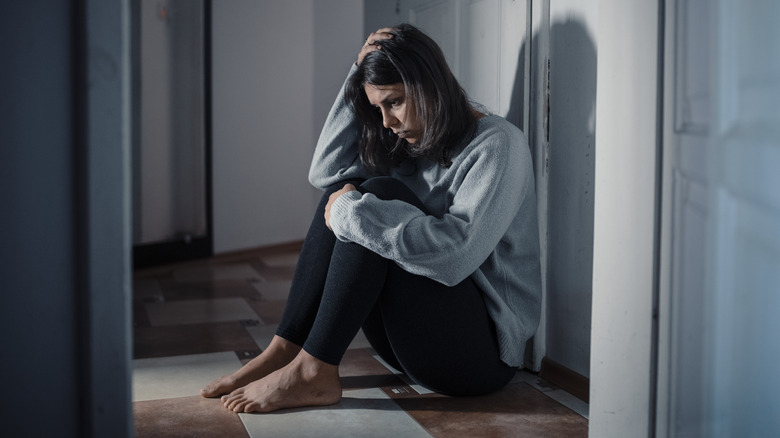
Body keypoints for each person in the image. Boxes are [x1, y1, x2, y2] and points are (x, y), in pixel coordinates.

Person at [201, 23, 541, 414]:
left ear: (429, 85)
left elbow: (455, 258)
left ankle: (314, 369)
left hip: (478, 359)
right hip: (408, 344)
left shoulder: (499, 146)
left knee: (373, 198)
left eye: (394, 102)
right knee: (346, 190)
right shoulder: (409, 140)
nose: (386, 122)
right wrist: (357, 68)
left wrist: (356, 211)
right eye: (377, 107)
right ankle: (287, 349)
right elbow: (326, 173)